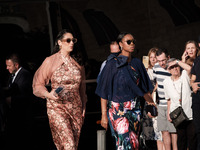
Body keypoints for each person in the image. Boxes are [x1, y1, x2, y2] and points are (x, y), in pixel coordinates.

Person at [95, 32, 156, 150]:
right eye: (128, 42)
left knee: (134, 143)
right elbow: (103, 91)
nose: (132, 44)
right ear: (120, 44)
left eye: (133, 41)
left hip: (135, 108)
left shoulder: (137, 63)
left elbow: (144, 88)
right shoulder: (112, 64)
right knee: (125, 141)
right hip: (118, 109)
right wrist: (103, 115)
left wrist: (151, 104)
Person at [32, 29, 87, 150]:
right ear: (59, 42)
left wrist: (83, 106)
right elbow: (37, 84)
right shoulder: (50, 61)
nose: (71, 43)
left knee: (73, 145)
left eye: (73, 40)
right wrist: (48, 94)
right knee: (69, 145)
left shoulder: (78, 62)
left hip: (75, 108)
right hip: (57, 107)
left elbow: (82, 88)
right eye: (68, 40)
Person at [164, 58, 196, 150]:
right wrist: (168, 113)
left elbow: (189, 68)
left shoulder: (184, 75)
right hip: (177, 115)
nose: (175, 68)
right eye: (172, 67)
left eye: (176, 66)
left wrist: (177, 62)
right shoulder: (166, 82)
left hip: (189, 112)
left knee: (192, 138)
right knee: (181, 139)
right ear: (168, 70)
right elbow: (168, 99)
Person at [5, 53, 33, 150]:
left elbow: (27, 95)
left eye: (9, 65)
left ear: (16, 65)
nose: (7, 68)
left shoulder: (25, 74)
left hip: (22, 116)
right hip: (14, 115)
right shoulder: (12, 76)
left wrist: (12, 100)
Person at [153, 48, 178, 150]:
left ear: (168, 57)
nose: (161, 63)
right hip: (161, 104)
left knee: (173, 132)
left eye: (163, 60)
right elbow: (157, 81)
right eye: (159, 61)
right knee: (164, 132)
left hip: (172, 104)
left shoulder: (173, 67)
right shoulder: (156, 67)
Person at [142, 47, 165, 150]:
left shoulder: (160, 69)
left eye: (154, 57)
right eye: (150, 57)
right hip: (149, 100)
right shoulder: (146, 71)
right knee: (151, 129)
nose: (152, 59)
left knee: (160, 129)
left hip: (159, 100)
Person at [190, 54, 200, 150]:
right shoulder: (197, 60)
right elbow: (192, 79)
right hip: (197, 97)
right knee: (198, 129)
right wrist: (193, 85)